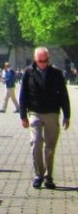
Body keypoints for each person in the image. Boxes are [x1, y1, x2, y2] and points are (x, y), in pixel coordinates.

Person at [19, 47, 71, 189]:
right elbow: (23, 94)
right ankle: (38, 174)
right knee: (36, 143)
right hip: (35, 112)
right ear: (35, 60)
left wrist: (67, 114)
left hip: (52, 112)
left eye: (45, 60)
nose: (42, 63)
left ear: (48, 59)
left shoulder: (56, 73)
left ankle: (48, 177)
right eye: (40, 61)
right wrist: (23, 115)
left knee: (50, 147)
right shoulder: (28, 72)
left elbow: (64, 95)